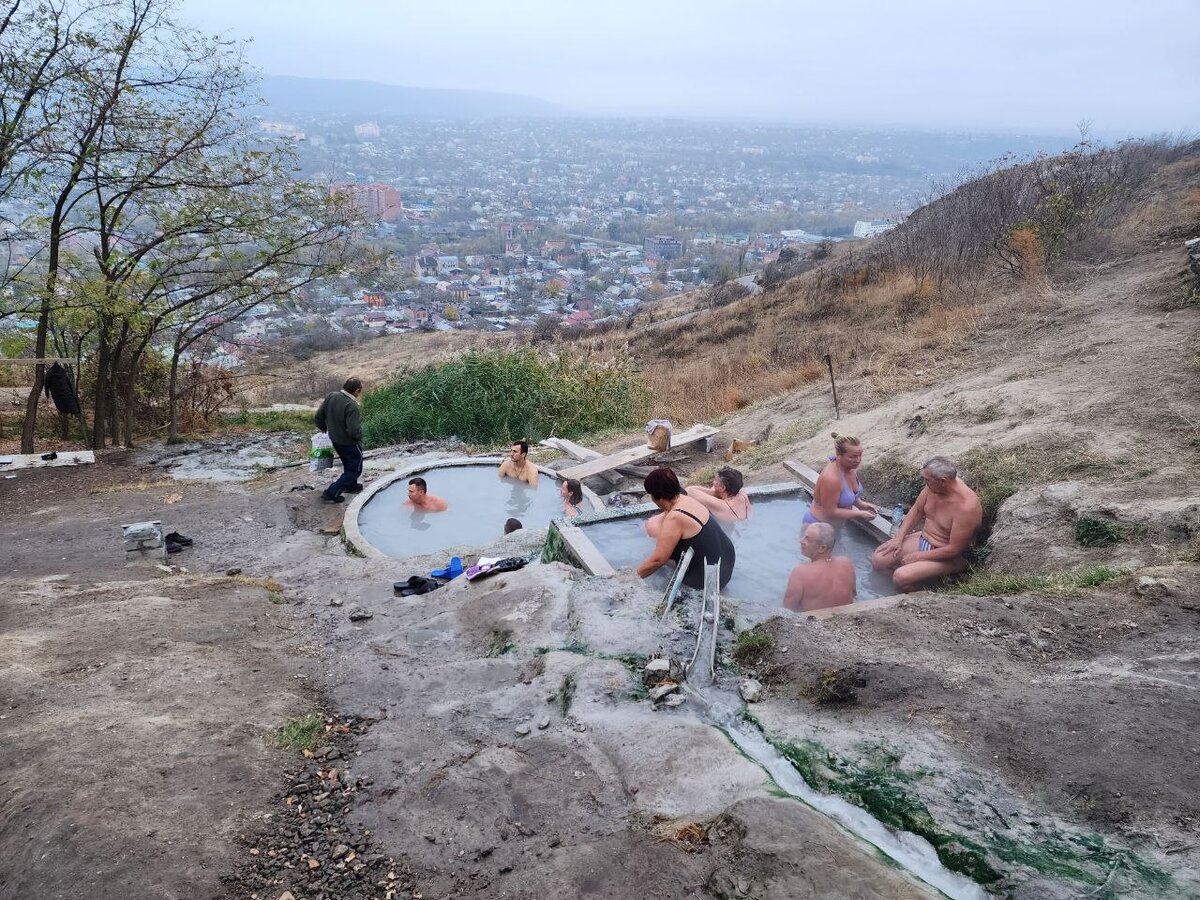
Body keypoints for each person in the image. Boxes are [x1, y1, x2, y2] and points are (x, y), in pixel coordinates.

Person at [872, 456, 981, 592]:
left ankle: (924, 594)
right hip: (924, 539)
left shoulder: (966, 507)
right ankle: (909, 587)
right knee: (879, 559)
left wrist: (917, 557)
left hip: (949, 556)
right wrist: (899, 538)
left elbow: (954, 550)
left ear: (942, 481)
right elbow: (916, 510)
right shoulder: (934, 487)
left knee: (900, 576)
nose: (924, 483)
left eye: (927, 480)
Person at [636, 467, 735, 590]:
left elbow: (657, 560)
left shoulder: (674, 518)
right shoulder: (687, 500)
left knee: (659, 564)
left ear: (658, 497)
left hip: (709, 578)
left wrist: (631, 578)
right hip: (726, 564)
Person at [803, 433, 878, 529]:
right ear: (839, 455)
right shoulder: (831, 478)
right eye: (853, 456)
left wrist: (861, 505)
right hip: (817, 528)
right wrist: (859, 514)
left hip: (834, 526)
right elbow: (830, 512)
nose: (858, 460)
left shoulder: (851, 468)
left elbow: (847, 495)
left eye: (860, 455)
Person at [783, 523, 857, 613]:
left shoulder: (800, 573)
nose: (801, 541)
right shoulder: (846, 563)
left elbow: (787, 610)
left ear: (822, 548)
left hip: (817, 624)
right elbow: (853, 595)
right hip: (847, 619)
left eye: (807, 539)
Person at [315, 377, 364, 503]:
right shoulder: (351, 405)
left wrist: (323, 428)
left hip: (335, 439)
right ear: (357, 390)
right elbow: (353, 431)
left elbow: (318, 417)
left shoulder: (332, 396)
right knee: (355, 469)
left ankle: (351, 486)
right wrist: (360, 438)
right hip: (349, 443)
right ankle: (331, 493)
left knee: (348, 464)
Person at [685, 466, 751, 524]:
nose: (713, 482)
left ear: (722, 487)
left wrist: (713, 492)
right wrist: (719, 491)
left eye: (715, 480)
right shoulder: (742, 493)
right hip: (745, 524)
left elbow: (689, 490)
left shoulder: (722, 506)